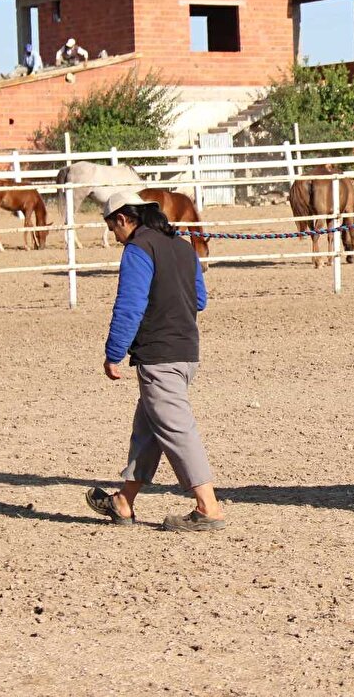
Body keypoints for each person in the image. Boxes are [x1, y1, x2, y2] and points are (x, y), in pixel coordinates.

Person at [84, 191, 225, 532]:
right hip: (187, 351)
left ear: (122, 219)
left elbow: (130, 306)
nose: (115, 237)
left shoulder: (138, 249)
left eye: (112, 228)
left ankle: (209, 507)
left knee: (176, 427)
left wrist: (114, 352)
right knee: (148, 428)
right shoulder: (182, 247)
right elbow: (200, 299)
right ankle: (123, 501)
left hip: (159, 354)